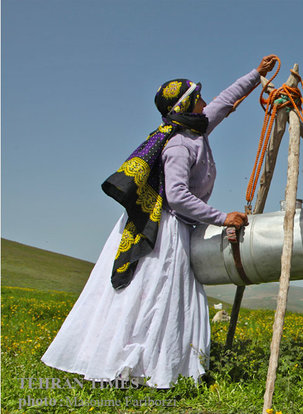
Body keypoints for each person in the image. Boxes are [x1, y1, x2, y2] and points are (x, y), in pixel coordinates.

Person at [41, 55, 278, 388]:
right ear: (189, 106)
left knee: (160, 298)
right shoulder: (180, 144)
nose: (205, 100)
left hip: (175, 223)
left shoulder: (194, 127)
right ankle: (138, 368)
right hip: (164, 228)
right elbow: (177, 196)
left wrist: (257, 74)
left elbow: (224, 102)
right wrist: (222, 218)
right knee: (154, 296)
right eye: (198, 96)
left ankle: (152, 367)